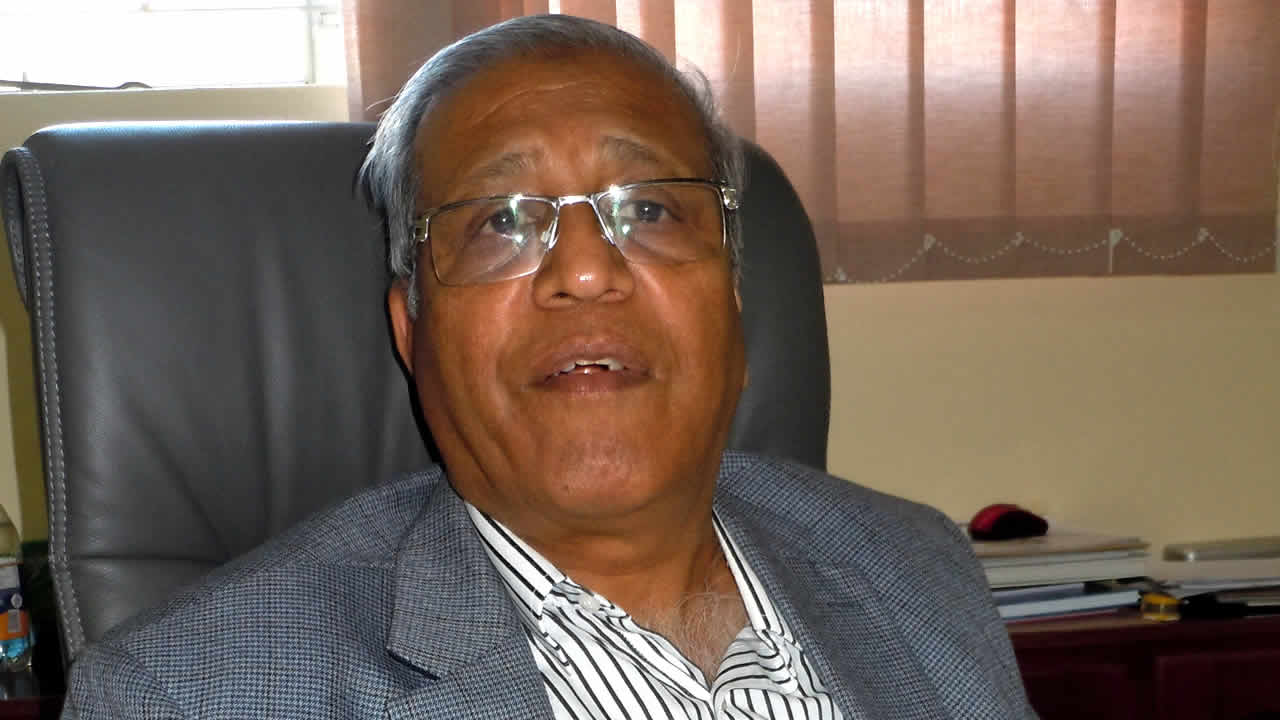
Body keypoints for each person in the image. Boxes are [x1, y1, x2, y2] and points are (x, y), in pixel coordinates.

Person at [62, 14, 1034, 719]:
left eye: (648, 210)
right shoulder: (186, 693)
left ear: (733, 308)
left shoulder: (915, 570)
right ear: (411, 332)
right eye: (499, 221)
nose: (585, 270)